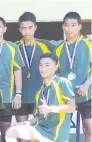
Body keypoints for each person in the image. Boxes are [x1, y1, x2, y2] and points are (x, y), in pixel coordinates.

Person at [5, 53, 76, 142]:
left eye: (47, 65)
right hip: (40, 129)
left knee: (14, 133)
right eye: (41, 65)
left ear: (55, 67)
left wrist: (50, 109)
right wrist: (27, 123)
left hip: (56, 135)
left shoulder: (62, 82)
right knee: (11, 131)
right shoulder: (40, 91)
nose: (43, 68)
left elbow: (72, 107)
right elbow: (39, 116)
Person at [55, 12, 92, 142]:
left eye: (73, 25)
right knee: (61, 131)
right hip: (66, 97)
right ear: (63, 27)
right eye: (66, 25)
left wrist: (87, 84)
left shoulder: (88, 45)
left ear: (79, 27)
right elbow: (57, 73)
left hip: (85, 94)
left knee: (89, 130)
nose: (69, 28)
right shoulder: (58, 48)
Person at [15, 12, 56, 124]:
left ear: (35, 27)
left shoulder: (46, 45)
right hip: (21, 97)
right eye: (23, 28)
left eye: (30, 27)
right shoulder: (14, 47)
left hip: (40, 96)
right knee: (22, 132)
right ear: (19, 29)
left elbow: (61, 63)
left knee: (39, 133)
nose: (27, 31)